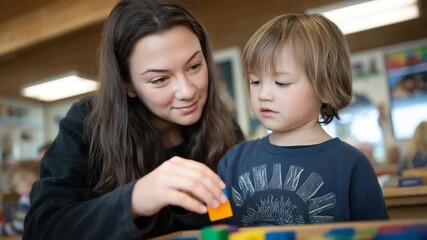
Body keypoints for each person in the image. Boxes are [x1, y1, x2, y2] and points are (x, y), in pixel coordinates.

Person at [23, 0, 243, 239]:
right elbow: (41, 228)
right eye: (160, 79)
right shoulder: (86, 124)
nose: (188, 91)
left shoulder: (223, 123)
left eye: (195, 66)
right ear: (127, 84)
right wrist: (136, 198)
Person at [218, 13, 389, 227]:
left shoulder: (351, 164)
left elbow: (377, 233)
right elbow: (215, 228)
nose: (263, 94)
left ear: (325, 88)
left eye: (281, 82)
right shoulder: (232, 161)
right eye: (255, 81)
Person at [1, 160, 39, 236]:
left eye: (16, 184)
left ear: (28, 180)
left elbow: (19, 226)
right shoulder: (43, 195)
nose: (15, 189)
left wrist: (2, 229)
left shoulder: (26, 199)